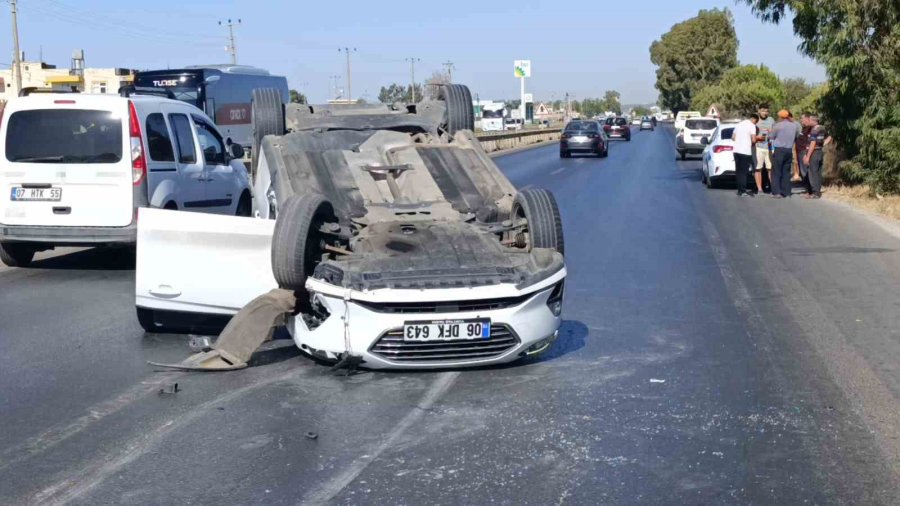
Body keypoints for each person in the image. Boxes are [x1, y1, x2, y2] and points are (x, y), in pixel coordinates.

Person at [768, 109, 800, 198]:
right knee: (786, 172)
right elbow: (796, 136)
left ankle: (776, 192)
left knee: (776, 171)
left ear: (781, 117)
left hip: (779, 150)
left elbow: (771, 136)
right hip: (789, 150)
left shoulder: (777, 126)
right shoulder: (794, 126)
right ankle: (787, 192)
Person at [732, 113, 760, 197]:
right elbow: (754, 140)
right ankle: (743, 191)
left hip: (736, 151)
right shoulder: (752, 126)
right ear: (754, 120)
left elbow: (733, 137)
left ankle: (739, 190)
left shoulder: (738, 124)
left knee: (738, 171)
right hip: (746, 152)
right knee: (744, 172)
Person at [803, 115, 831, 199]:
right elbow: (829, 137)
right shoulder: (822, 128)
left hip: (814, 152)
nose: (808, 121)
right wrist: (822, 144)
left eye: (810, 120)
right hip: (819, 151)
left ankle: (815, 192)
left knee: (813, 172)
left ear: (814, 121)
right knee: (818, 172)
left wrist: (807, 156)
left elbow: (812, 143)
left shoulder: (814, 130)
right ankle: (817, 191)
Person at [754, 105, 775, 193]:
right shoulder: (755, 120)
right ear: (759, 111)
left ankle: (773, 188)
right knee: (758, 168)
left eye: (766, 111)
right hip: (758, 147)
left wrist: (771, 132)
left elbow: (775, 132)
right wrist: (757, 137)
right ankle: (759, 188)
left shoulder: (771, 120)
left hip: (770, 147)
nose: (764, 113)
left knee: (770, 168)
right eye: (763, 111)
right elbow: (750, 133)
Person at [796, 113, 813, 195]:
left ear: (807, 118)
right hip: (799, 152)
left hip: (804, 152)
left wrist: (807, 152)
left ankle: (810, 190)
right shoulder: (804, 128)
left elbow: (811, 141)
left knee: (805, 171)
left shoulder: (811, 128)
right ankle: (807, 189)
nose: (801, 120)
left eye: (802, 118)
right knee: (802, 172)